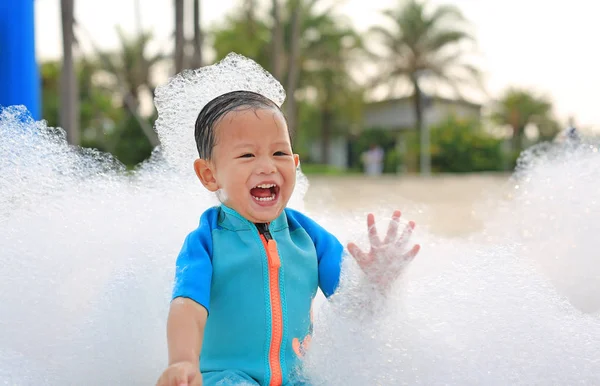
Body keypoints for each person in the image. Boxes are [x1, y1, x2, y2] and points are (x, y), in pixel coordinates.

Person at [155, 90, 420, 386]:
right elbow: (187, 307)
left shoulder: (310, 238)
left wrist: (375, 284)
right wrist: (182, 361)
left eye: (279, 153)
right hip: (226, 377)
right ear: (209, 174)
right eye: (247, 154)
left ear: (294, 163)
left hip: (297, 378)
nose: (268, 165)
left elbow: (352, 309)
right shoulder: (206, 242)